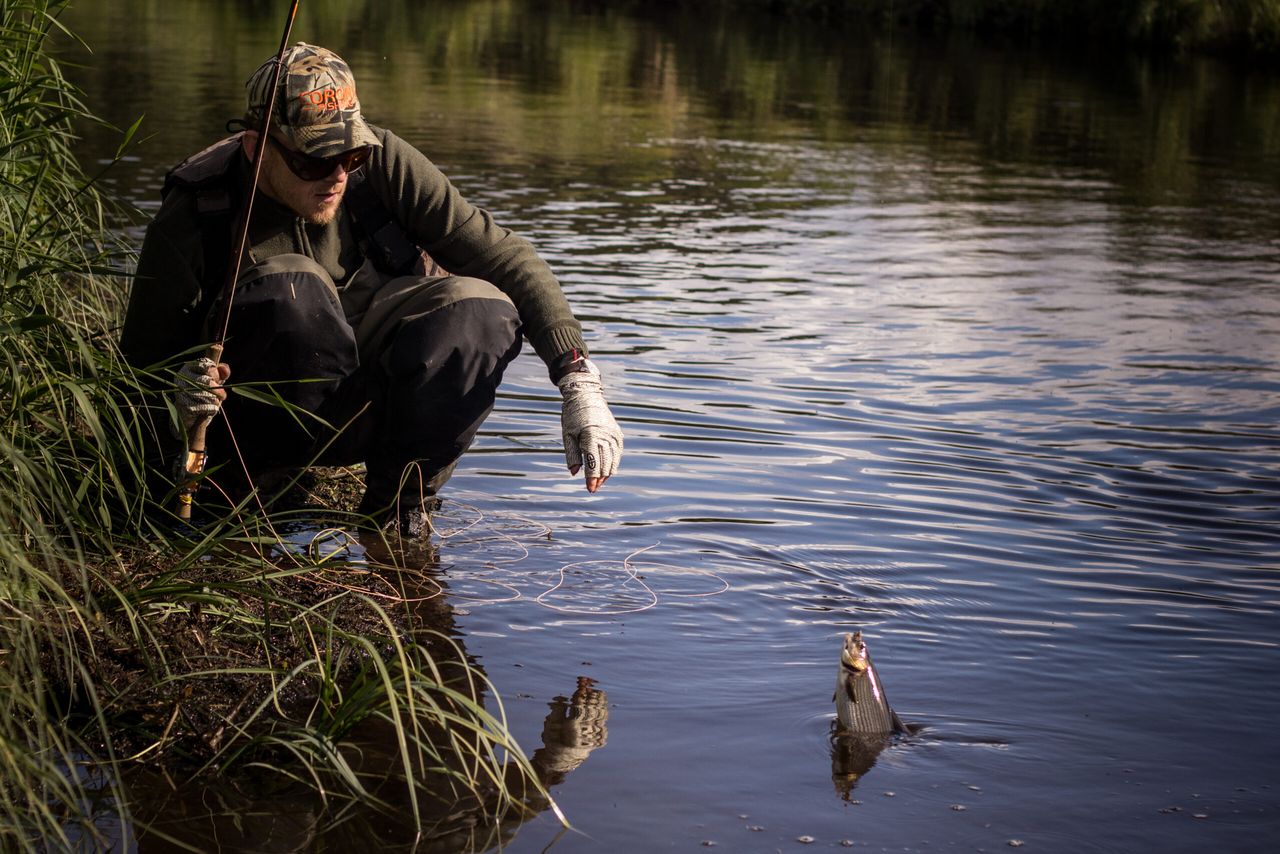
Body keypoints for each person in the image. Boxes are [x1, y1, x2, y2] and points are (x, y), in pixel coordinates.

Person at [120, 43, 623, 536]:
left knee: (481, 308)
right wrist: (175, 400)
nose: (339, 174)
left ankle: (399, 507)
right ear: (257, 148)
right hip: (250, 423)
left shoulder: (382, 163)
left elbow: (507, 256)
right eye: (315, 160)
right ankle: (260, 487)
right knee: (293, 286)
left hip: (369, 398)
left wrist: (578, 379)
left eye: (352, 154)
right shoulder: (197, 208)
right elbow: (140, 366)